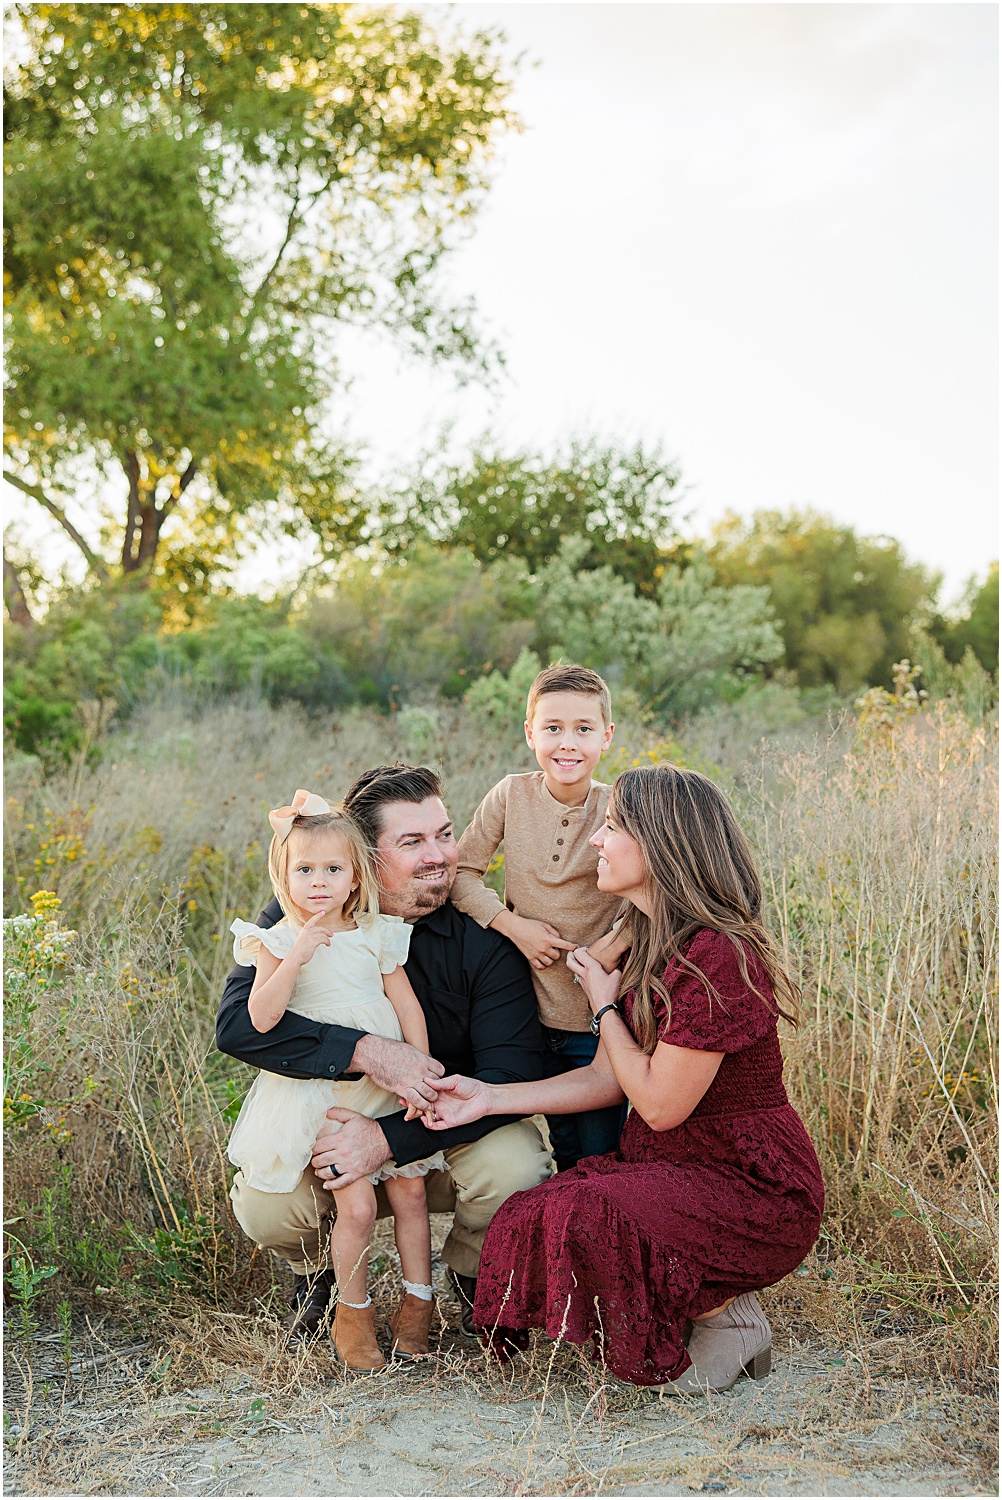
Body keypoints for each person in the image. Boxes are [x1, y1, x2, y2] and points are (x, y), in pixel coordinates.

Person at [424, 763, 825, 1391]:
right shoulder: (649, 940)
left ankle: (726, 1317)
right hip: (675, 1169)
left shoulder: (717, 952)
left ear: (659, 842)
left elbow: (660, 1106)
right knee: (536, 1208)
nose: (595, 842)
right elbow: (606, 1082)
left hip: (749, 1183)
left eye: (611, 828)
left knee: (591, 1213)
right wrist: (488, 1097)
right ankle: (703, 1307)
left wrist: (603, 1005)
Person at [216, 765, 552, 1348]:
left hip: (444, 1131)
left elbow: (511, 1074)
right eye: (413, 842)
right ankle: (323, 1272)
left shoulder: (483, 943)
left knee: (516, 1170)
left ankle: (477, 1275)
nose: (440, 855)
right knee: (269, 1205)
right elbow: (238, 1030)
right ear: (361, 860)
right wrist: (367, 1051)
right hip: (332, 1126)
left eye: (444, 834)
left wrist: (390, 1137)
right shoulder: (301, 917)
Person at [226, 789, 445, 1371]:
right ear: (283, 874)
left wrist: (418, 1075)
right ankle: (353, 1318)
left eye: (332, 868)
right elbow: (260, 1020)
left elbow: (408, 1010)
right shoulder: (272, 941)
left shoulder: (377, 933)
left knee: (412, 1194)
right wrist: (295, 956)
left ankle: (417, 1310)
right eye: (304, 869)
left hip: (386, 1091)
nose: (318, 881)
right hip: (324, 1102)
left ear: (355, 877)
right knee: (357, 1209)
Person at [452, 663, 628, 1171]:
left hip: (593, 1016)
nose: (567, 743)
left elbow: (652, 897)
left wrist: (608, 949)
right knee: (545, 1149)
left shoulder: (619, 805)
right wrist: (513, 926)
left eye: (583, 729)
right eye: (552, 728)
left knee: (595, 1152)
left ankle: (591, 1240)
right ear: (530, 733)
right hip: (521, 1011)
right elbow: (461, 873)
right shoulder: (511, 794)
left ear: (607, 736)